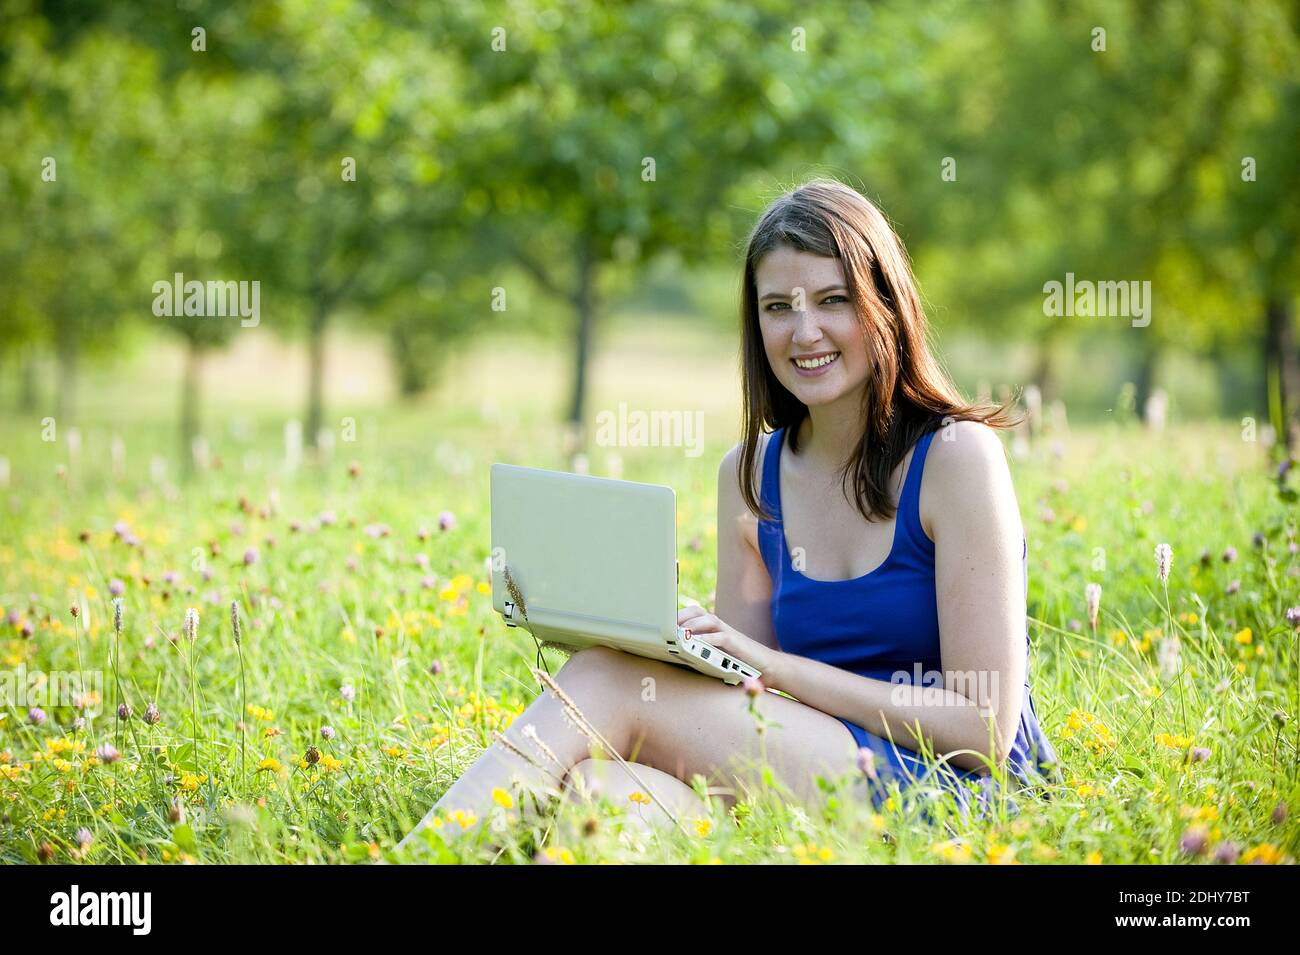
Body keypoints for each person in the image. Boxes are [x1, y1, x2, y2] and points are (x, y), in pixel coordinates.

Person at [398, 177, 1060, 852]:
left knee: (604, 682)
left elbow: (983, 730)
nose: (805, 332)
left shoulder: (955, 458)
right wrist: (653, 638)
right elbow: (738, 690)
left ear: (884, 304)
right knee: (604, 797)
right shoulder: (751, 476)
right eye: (778, 307)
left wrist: (777, 669)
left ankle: (423, 855)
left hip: (953, 792)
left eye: (833, 300)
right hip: (811, 771)